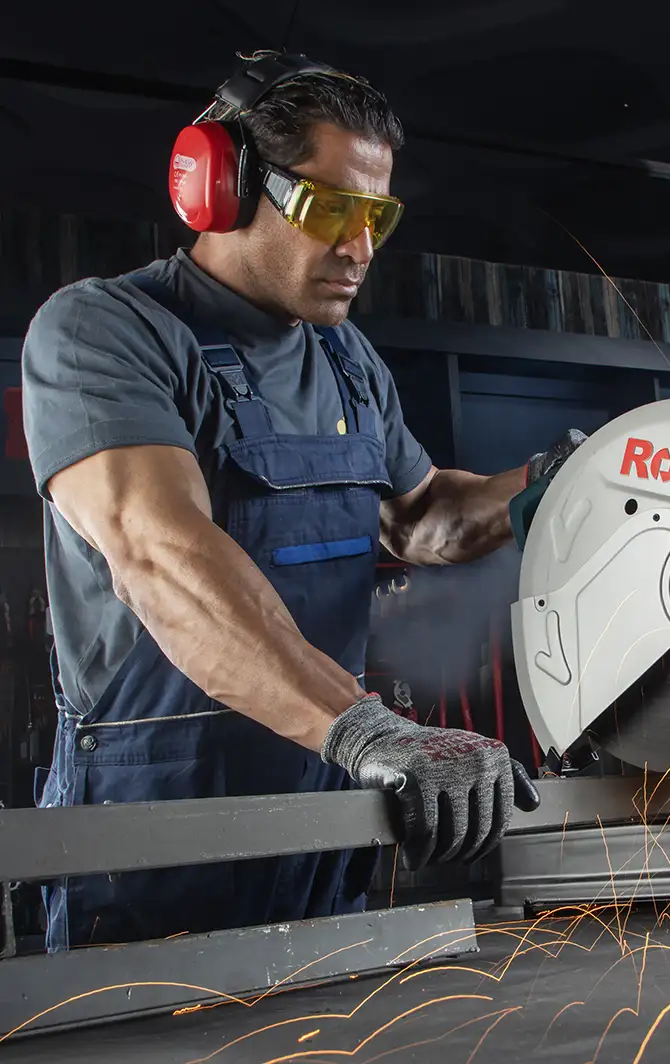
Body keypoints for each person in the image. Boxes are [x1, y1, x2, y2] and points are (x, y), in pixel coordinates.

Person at [21, 50, 580, 952]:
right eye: (329, 210)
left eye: (376, 216)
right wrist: (367, 730)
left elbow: (422, 516)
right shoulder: (105, 332)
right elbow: (162, 557)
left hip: (323, 800)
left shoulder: (346, 359)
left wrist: (556, 482)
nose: (359, 249)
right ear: (221, 187)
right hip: (153, 829)